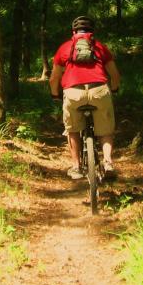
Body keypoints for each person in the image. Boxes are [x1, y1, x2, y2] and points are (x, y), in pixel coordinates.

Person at [50, 15, 121, 180]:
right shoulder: (100, 48)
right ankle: (108, 163)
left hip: (73, 92)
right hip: (99, 90)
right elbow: (115, 75)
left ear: (73, 31)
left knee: (73, 130)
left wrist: (54, 94)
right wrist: (115, 88)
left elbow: (54, 78)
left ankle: (76, 167)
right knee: (106, 129)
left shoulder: (64, 48)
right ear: (92, 32)